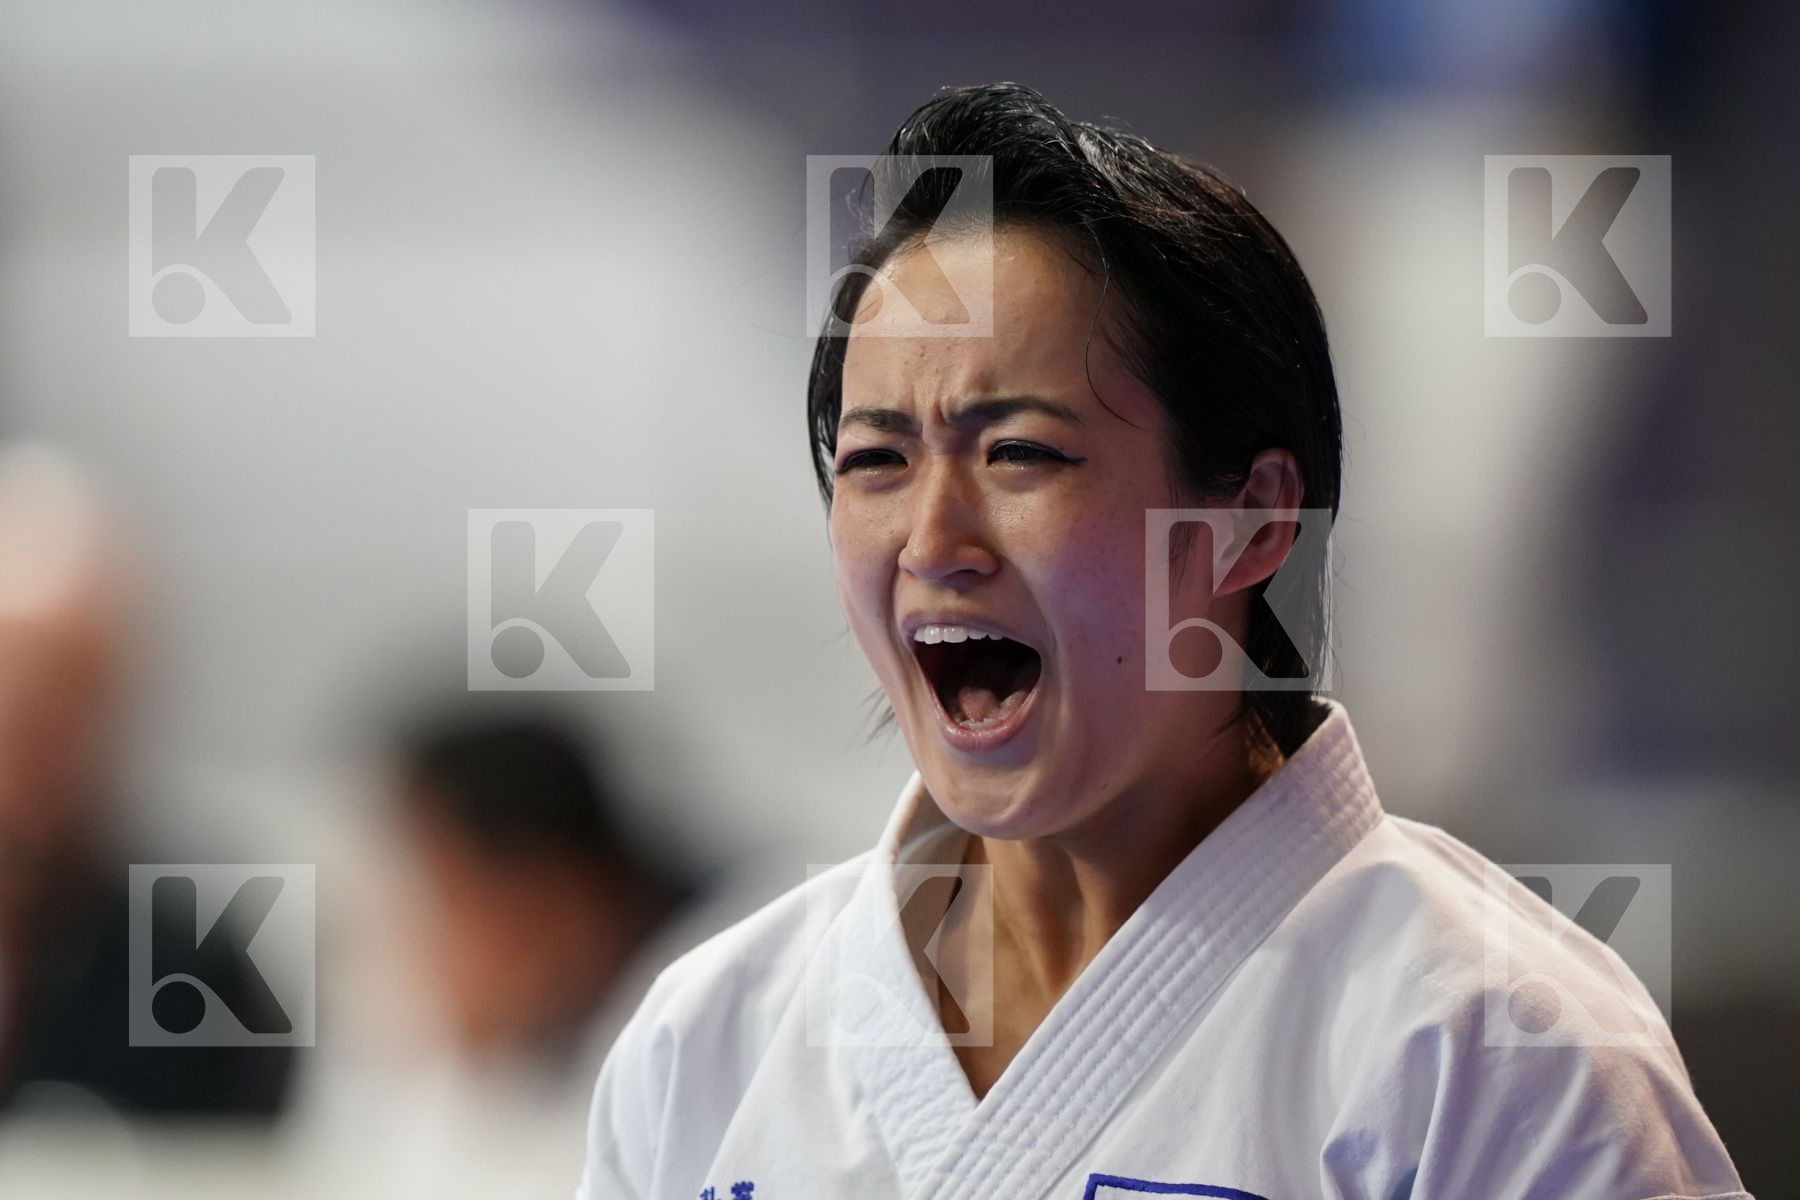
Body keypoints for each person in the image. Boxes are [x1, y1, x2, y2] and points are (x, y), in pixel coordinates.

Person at [577, 83, 1750, 1200]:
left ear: (1248, 519)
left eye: (1020, 452)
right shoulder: (710, 1038)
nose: (933, 537)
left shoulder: (1497, 1048)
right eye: (876, 460)